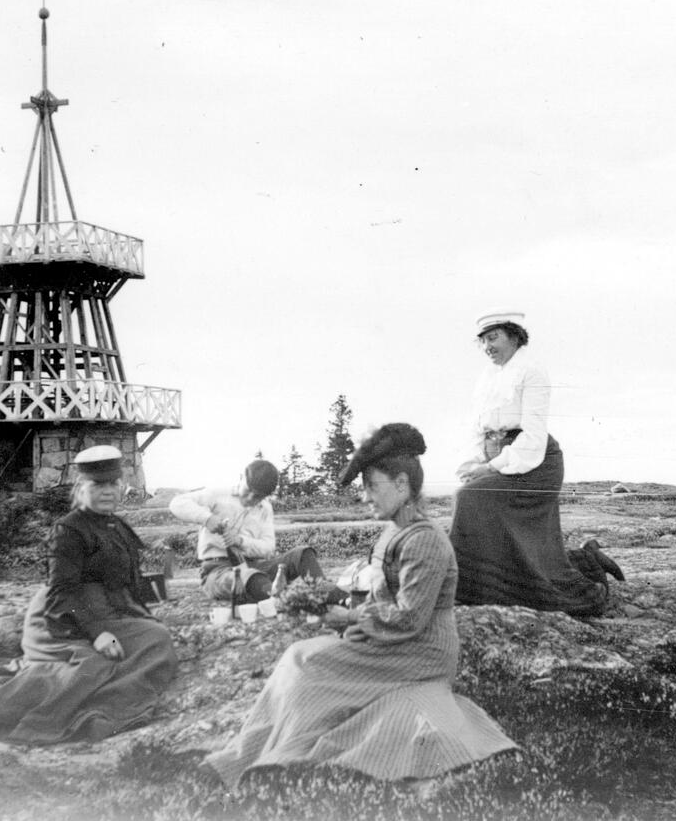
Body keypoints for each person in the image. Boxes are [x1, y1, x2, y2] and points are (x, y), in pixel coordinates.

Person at [205, 424, 516, 786]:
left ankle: (275, 759)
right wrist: (328, 606)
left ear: (401, 484)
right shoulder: (395, 532)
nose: (365, 496)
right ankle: (250, 756)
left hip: (420, 652)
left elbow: (410, 617)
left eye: (372, 486)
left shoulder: (425, 541)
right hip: (393, 642)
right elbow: (382, 599)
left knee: (307, 665)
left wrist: (350, 616)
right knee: (300, 658)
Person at [0, 445, 179, 744]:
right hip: (61, 616)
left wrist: (149, 603)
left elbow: (122, 579)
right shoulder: (69, 530)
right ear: (82, 487)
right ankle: (80, 717)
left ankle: (106, 706)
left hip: (104, 610)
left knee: (154, 638)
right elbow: (63, 590)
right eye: (98, 485)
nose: (108, 491)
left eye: (113, 484)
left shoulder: (116, 526)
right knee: (95, 664)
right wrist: (99, 634)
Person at [450, 310, 610, 615]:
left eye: (493, 338)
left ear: (514, 336)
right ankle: (583, 560)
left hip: (535, 463)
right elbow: (476, 428)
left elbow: (533, 435)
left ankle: (470, 588)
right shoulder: (487, 377)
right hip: (499, 458)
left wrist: (491, 467)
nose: (487, 346)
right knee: (487, 513)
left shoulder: (532, 372)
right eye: (483, 341)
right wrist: (471, 465)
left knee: (470, 498)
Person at [168, 460, 326, 604]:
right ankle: (291, 600)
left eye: (258, 496)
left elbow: (268, 548)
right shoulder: (217, 494)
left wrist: (240, 541)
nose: (250, 498)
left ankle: (328, 594)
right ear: (241, 477)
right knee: (247, 577)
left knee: (302, 554)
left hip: (255, 566)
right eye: (248, 490)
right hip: (218, 571)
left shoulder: (265, 508)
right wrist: (207, 518)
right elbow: (177, 503)